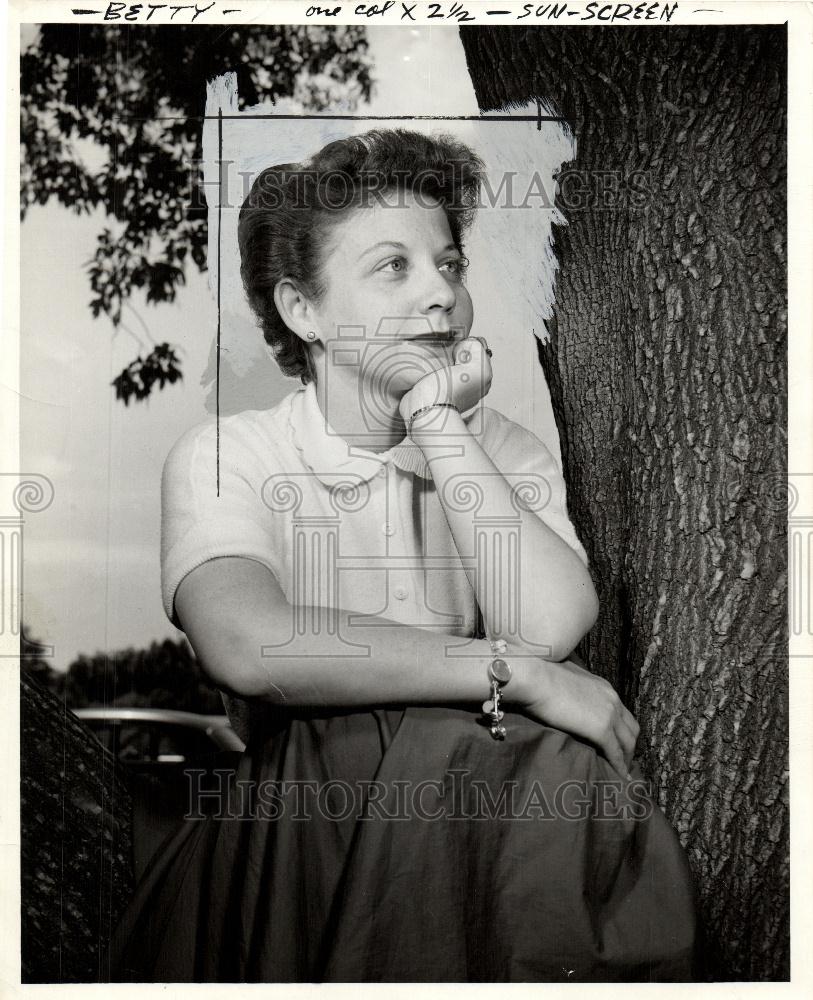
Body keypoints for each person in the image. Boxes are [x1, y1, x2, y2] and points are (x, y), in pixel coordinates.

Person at [110, 129, 696, 982]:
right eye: (394, 267)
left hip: (476, 819)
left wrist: (438, 426)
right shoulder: (231, 453)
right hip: (309, 824)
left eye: (449, 265)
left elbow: (553, 620)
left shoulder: (501, 448)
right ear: (301, 310)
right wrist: (518, 675)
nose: (442, 298)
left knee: (545, 777)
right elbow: (248, 645)